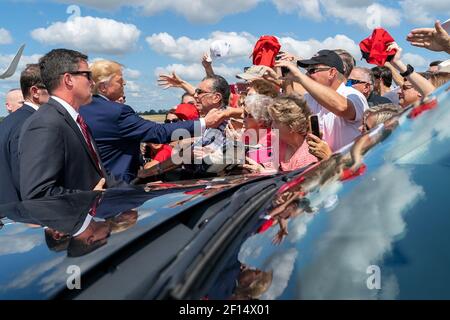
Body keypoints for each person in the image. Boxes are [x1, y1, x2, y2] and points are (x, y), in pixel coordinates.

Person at [80, 60, 227, 182]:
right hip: (116, 184)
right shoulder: (116, 112)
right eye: (120, 81)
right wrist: (204, 123)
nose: (124, 84)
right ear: (103, 87)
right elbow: (157, 132)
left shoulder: (83, 108)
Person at [19, 49, 123, 200]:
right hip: (76, 221)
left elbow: (102, 177)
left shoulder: (76, 121)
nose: (92, 82)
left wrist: (143, 191)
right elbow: (38, 195)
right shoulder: (45, 124)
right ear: (68, 79)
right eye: (87, 75)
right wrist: (90, 198)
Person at [274, 50, 369, 151]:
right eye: (307, 71)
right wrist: (287, 78)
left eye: (312, 70)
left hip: (351, 164)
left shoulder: (353, 95)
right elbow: (289, 115)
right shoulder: (310, 97)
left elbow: (342, 107)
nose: (307, 74)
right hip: (323, 164)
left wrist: (299, 76)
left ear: (332, 73)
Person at [0, 64, 49, 205]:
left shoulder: (9, 121)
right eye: (52, 88)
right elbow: (27, 178)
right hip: (27, 212)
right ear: (35, 92)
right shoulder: (34, 123)